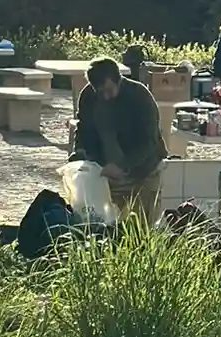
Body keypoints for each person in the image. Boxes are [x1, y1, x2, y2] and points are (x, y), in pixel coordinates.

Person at [72, 55, 168, 223]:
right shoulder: (88, 96)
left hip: (143, 172)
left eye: (109, 91)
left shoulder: (140, 97)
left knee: (141, 228)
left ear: (118, 80)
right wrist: (79, 154)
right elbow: (83, 129)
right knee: (108, 226)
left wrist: (123, 165)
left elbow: (148, 142)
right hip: (107, 174)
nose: (105, 97)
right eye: (100, 92)